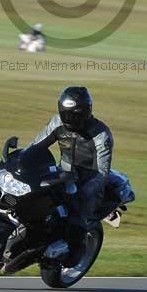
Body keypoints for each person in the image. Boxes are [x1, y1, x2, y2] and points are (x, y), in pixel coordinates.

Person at [30, 86, 113, 258]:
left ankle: (76, 254)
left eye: (74, 115)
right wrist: (19, 161)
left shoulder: (101, 135)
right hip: (63, 175)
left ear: (85, 112)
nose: (68, 119)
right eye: (65, 113)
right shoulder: (57, 123)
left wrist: (81, 194)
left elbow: (102, 174)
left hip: (88, 184)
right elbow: (35, 147)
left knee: (76, 220)